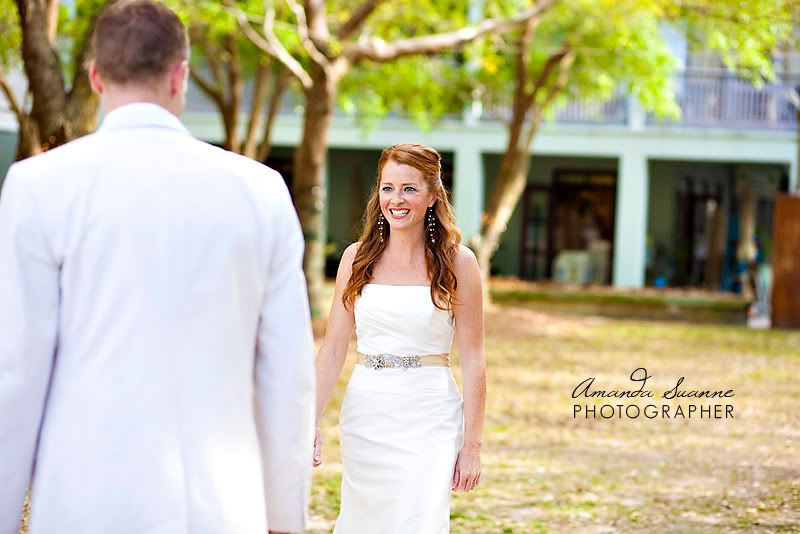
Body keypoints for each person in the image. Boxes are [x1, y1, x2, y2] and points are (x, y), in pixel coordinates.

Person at [0, 2, 314, 533]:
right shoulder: (261, 191)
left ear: (96, 77)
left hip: (83, 502)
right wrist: (285, 515)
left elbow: (16, 371)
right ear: (181, 75)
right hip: (222, 505)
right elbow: (287, 372)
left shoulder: (38, 186)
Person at [313, 144, 487, 532]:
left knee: (419, 519)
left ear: (431, 196)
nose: (396, 199)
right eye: (388, 188)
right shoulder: (356, 259)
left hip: (430, 413)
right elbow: (334, 348)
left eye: (409, 188)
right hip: (367, 413)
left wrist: (472, 446)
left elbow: (474, 359)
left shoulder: (460, 263)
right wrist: (307, 419)